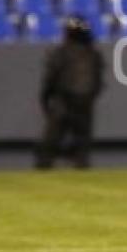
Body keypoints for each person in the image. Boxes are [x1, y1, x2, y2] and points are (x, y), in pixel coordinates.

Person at [36, 16, 104, 169]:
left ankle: (43, 170)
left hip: (63, 103)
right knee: (82, 144)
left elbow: (50, 78)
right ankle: (81, 169)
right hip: (84, 105)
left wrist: (46, 99)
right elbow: (98, 83)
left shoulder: (61, 53)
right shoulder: (93, 54)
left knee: (50, 143)